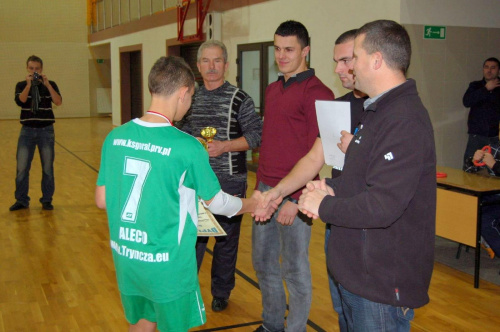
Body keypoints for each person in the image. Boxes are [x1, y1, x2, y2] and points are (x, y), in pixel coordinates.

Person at [95, 56, 274, 332]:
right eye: (191, 96)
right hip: (168, 264)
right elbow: (219, 203)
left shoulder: (115, 137)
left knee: (142, 321)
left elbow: (102, 199)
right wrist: (254, 204)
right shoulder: (187, 146)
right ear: (183, 93)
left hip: (127, 257)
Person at [298, 20, 436, 331]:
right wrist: (330, 188)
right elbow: (362, 180)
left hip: (381, 285)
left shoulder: (404, 119)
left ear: (376, 60)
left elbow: (383, 205)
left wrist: (323, 206)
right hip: (358, 276)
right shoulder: (378, 112)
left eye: (354, 58)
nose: (345, 69)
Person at [254, 29, 366, 332]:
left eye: (289, 49)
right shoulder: (272, 89)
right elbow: (269, 143)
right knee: (263, 264)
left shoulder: (320, 94)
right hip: (268, 190)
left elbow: (316, 157)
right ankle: (272, 325)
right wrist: (261, 190)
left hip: (297, 196)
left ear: (305, 51)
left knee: (294, 268)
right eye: (277, 49)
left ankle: (296, 329)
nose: (281, 56)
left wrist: (294, 199)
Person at [176, 40, 262, 312]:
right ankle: (186, 290)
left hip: (230, 181)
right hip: (194, 182)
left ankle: (221, 292)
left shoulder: (240, 99)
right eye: (206, 61)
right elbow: (179, 131)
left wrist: (225, 146)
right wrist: (194, 142)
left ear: (226, 65)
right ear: (198, 65)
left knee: (225, 243)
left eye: (217, 61)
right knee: (193, 241)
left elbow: (256, 136)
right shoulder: (189, 97)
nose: (211, 67)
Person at [10, 55, 62, 211]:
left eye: (37, 69)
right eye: (31, 68)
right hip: (26, 131)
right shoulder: (20, 85)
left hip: (46, 131)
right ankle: (21, 200)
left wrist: (47, 85)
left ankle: (47, 200)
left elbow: (58, 101)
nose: (34, 71)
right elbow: (21, 101)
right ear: (27, 69)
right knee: (22, 167)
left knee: (47, 167)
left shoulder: (50, 84)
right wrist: (28, 85)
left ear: (42, 69)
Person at [462, 57, 500, 169]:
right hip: (476, 135)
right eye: (486, 67)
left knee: (493, 169)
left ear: (498, 70)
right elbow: (466, 101)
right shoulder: (475, 86)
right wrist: (485, 89)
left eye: (493, 68)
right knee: (470, 167)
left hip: (495, 137)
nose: (489, 70)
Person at [464, 142, 500, 257]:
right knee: (467, 208)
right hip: (491, 195)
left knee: (484, 219)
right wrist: (473, 161)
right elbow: (468, 171)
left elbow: (494, 167)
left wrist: (494, 165)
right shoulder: (493, 148)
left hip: (495, 199)